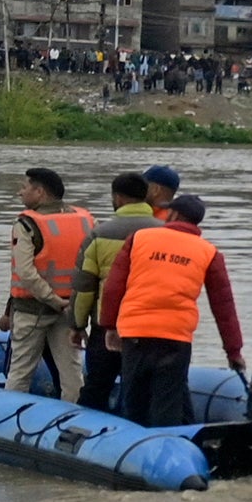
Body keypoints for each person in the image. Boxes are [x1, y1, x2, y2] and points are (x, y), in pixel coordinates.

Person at [94, 191, 248, 426]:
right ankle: (175, 445)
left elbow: (114, 287)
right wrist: (233, 351)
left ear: (174, 214)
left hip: (135, 334)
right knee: (167, 404)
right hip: (175, 340)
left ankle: (135, 450)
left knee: (135, 403)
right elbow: (224, 308)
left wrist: (109, 326)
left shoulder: (139, 239)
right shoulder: (209, 252)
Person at [70, 168, 162, 416]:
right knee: (143, 390)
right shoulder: (166, 233)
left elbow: (83, 286)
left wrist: (77, 325)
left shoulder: (100, 234)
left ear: (118, 198)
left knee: (96, 388)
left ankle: (83, 442)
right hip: (152, 325)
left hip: (108, 326)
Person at [0, 166, 94, 400]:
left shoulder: (27, 224)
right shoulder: (86, 220)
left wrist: (52, 300)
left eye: (24, 187)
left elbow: (25, 272)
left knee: (20, 372)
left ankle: (8, 419)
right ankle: (75, 421)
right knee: (72, 374)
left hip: (33, 310)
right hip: (71, 309)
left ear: (39, 192)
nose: (20, 193)